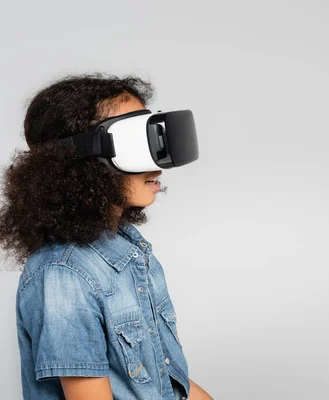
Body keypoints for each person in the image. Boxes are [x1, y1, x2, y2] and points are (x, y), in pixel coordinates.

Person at [0, 75, 213, 400]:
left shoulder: (128, 246)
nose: (156, 161)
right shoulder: (64, 275)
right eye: (136, 142)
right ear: (78, 162)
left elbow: (165, 378)